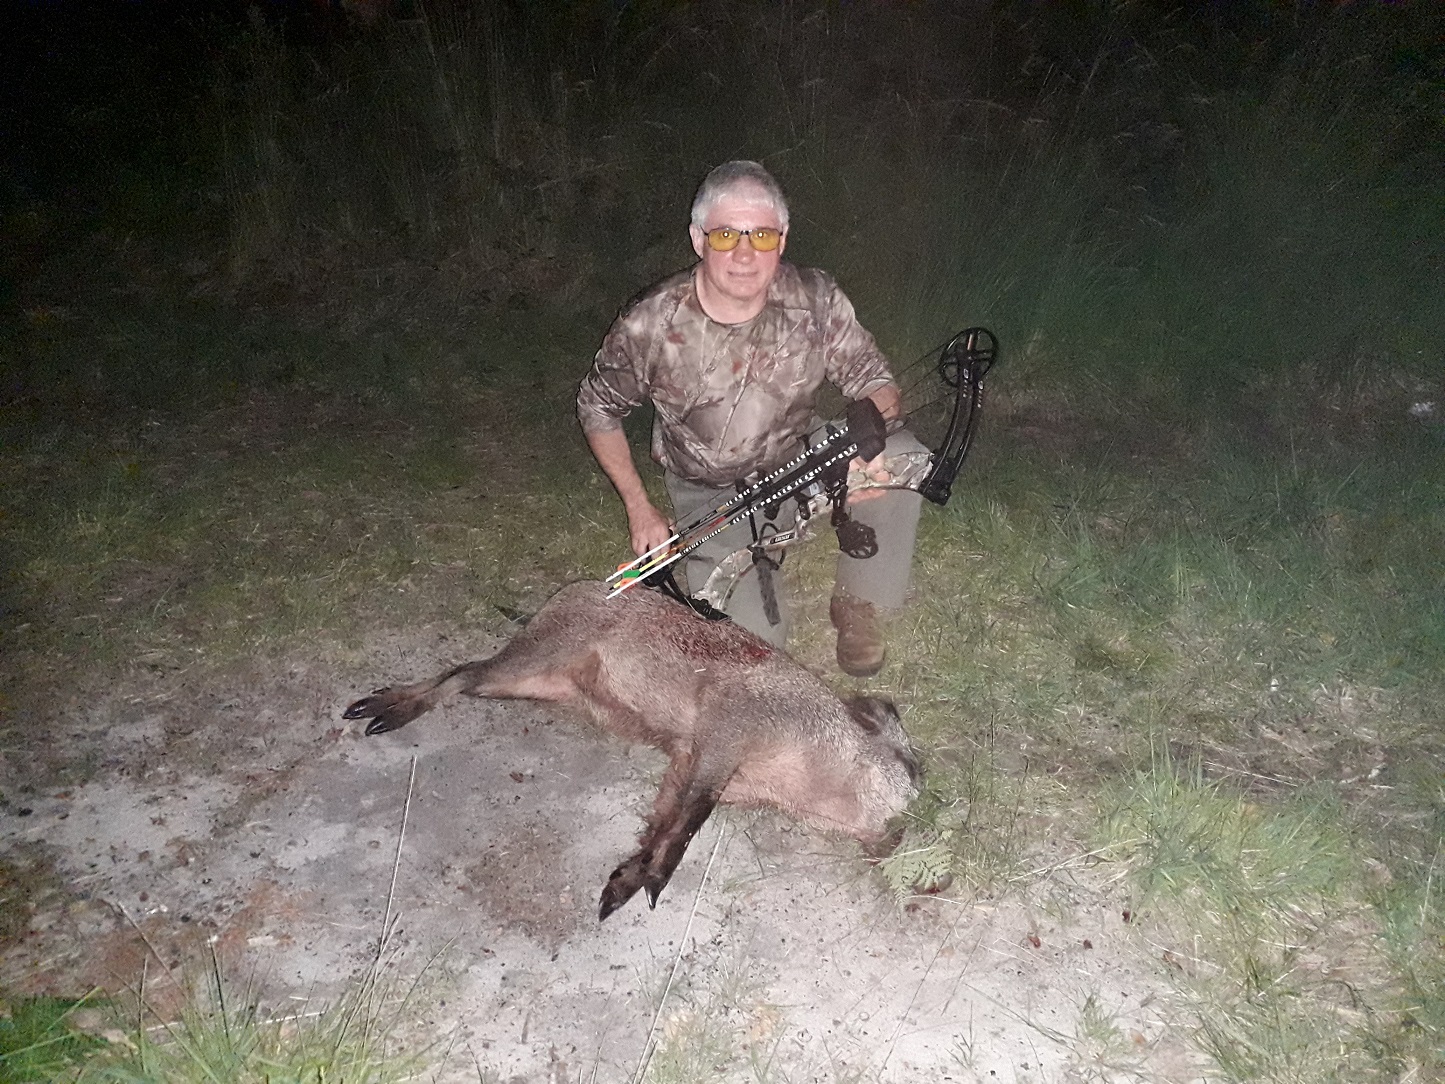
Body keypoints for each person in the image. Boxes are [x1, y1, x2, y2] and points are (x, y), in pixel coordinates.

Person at [576, 160, 925, 677]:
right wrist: (639, 507)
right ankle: (753, 560)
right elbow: (597, 407)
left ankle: (859, 600)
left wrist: (870, 447)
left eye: (761, 235)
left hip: (798, 462)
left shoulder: (815, 297)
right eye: (726, 235)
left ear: (781, 240)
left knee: (903, 455)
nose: (744, 253)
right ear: (699, 239)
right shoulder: (651, 321)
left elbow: (874, 379)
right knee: (753, 649)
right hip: (710, 493)